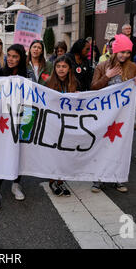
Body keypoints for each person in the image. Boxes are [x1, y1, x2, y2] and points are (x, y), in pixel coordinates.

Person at [91, 34, 136, 193]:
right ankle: (98, 179)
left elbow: (135, 91)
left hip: (123, 115)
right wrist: (108, 75)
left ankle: (117, 177)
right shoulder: (102, 65)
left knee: (120, 145)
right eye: (122, 52)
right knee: (101, 145)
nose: (125, 55)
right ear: (115, 50)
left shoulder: (133, 67)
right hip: (104, 114)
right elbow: (93, 88)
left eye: (128, 52)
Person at [0, 44, 27, 210]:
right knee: (2, 153)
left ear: (21, 59)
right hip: (3, 121)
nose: (11, 59)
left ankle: (16, 184)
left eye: (15, 57)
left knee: (21, 151)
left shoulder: (27, 76)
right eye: (9, 56)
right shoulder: (0, 73)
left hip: (23, 118)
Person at [43, 55, 79, 196]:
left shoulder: (75, 83)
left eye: (64, 66)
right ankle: (53, 181)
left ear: (69, 68)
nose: (61, 69)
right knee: (54, 153)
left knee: (65, 153)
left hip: (69, 124)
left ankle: (61, 180)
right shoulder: (48, 83)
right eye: (58, 66)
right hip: (53, 123)